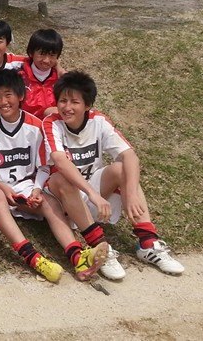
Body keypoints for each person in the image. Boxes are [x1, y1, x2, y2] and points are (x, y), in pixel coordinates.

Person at [43, 71, 185, 280]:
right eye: (63, 101)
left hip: (91, 194)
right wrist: (92, 194)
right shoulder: (51, 122)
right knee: (60, 178)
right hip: (65, 200)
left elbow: (130, 156)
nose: (67, 107)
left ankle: (148, 242)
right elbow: (60, 161)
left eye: (75, 102)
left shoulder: (98, 120)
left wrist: (131, 193)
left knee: (121, 168)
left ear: (87, 105)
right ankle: (100, 247)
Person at [0, 69, 105, 283]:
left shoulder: (35, 126)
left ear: (20, 96)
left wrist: (36, 190)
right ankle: (33, 258)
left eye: (8, 95)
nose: (3, 102)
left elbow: (43, 167)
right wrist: (1, 185)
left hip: (25, 187)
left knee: (51, 204)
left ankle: (77, 257)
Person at [20, 28, 63, 119]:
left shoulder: (61, 78)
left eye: (52, 55)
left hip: (55, 124)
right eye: (42, 54)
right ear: (31, 53)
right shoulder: (18, 77)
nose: (46, 60)